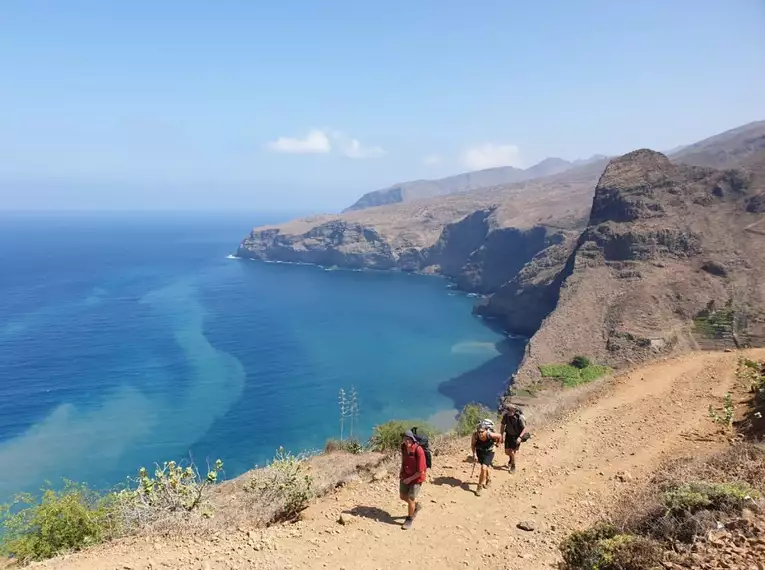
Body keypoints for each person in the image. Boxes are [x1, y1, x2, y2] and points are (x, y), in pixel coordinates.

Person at [399, 430, 427, 530]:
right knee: (402, 496)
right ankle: (415, 506)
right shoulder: (403, 447)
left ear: (413, 440)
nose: (407, 441)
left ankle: (409, 519)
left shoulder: (419, 450)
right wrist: (401, 470)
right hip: (405, 475)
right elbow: (403, 458)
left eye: (409, 439)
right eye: (405, 439)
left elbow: (421, 472)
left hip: (416, 478)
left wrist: (409, 479)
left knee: (411, 499)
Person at [470, 420, 502, 496]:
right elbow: (473, 445)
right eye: (479, 432)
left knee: (483, 468)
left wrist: (497, 444)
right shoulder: (475, 435)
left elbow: (499, 436)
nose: (480, 433)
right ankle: (488, 479)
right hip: (480, 451)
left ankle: (479, 486)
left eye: (482, 432)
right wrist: (474, 454)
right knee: (484, 467)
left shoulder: (489, 434)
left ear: (486, 430)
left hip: (489, 451)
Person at [500, 404, 528, 473]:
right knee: (507, 452)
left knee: (512, 452)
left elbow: (525, 428)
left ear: (513, 411)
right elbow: (503, 425)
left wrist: (520, 437)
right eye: (507, 411)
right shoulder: (506, 416)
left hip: (516, 436)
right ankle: (511, 458)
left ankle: (513, 466)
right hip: (508, 435)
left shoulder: (519, 418)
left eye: (508, 411)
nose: (507, 412)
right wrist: (501, 435)